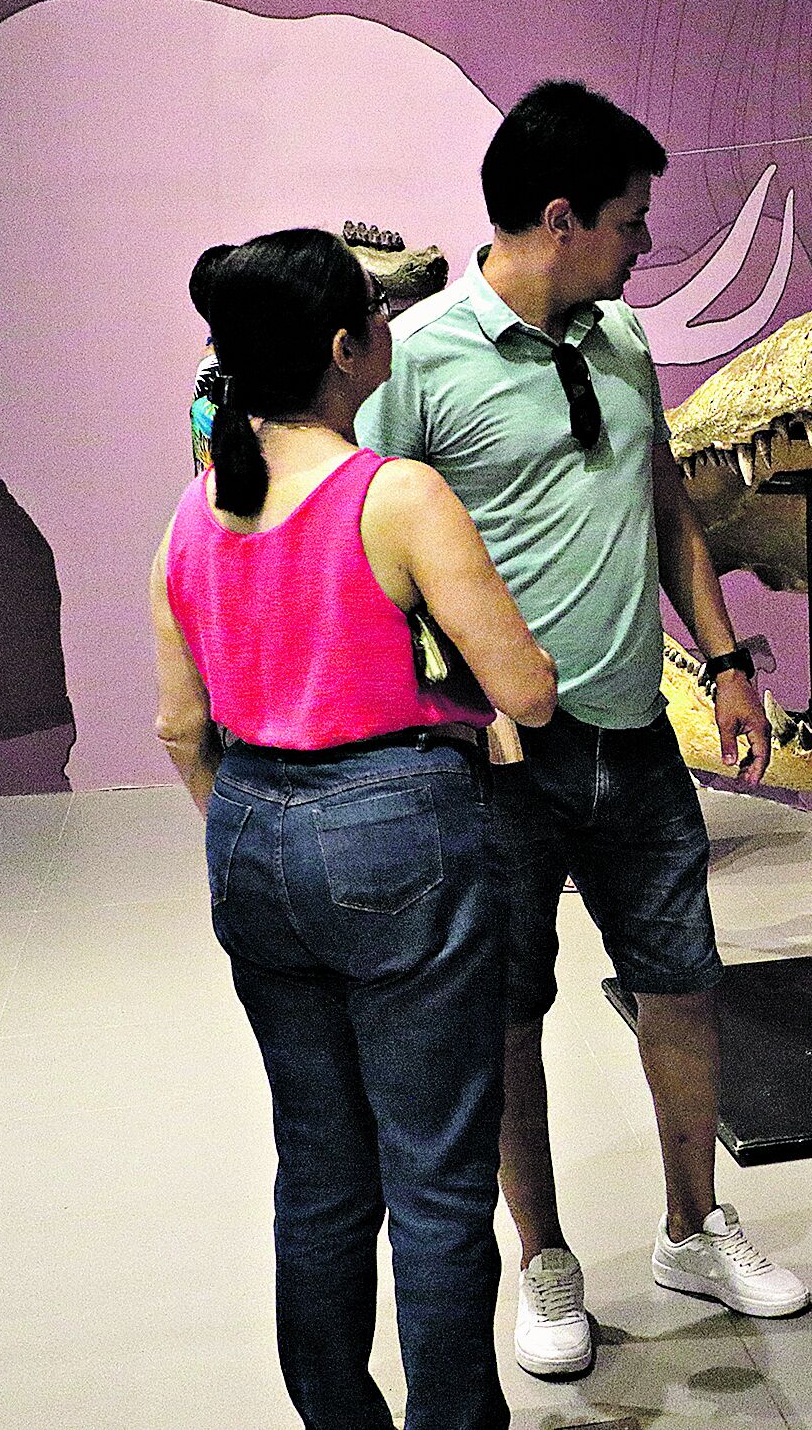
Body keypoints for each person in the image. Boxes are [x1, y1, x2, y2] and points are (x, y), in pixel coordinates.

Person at [358, 79, 806, 1382]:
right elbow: (373, 564)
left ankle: (693, 1227)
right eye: (631, 222)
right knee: (507, 1012)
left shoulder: (618, 339)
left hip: (638, 740)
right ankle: (545, 1260)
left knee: (685, 983)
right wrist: (448, 721)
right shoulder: (421, 370)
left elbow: (665, 501)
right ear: (561, 219)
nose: (643, 246)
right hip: (495, 767)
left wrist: (721, 656)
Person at [151, 227, 558, 1430]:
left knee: (320, 1175)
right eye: (376, 315)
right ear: (347, 348)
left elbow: (182, 729)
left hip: (250, 835)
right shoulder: (397, 494)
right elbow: (525, 690)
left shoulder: (193, 511)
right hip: (400, 830)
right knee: (435, 1179)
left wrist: (258, 826)